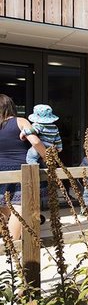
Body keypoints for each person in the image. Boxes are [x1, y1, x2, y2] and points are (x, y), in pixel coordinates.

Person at [0, 94, 47, 240]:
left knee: (4, 204)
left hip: (1, 169)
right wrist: (47, 156)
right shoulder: (20, 121)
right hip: (22, 169)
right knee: (19, 205)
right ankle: (13, 243)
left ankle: (6, 236)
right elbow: (35, 141)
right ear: (10, 106)